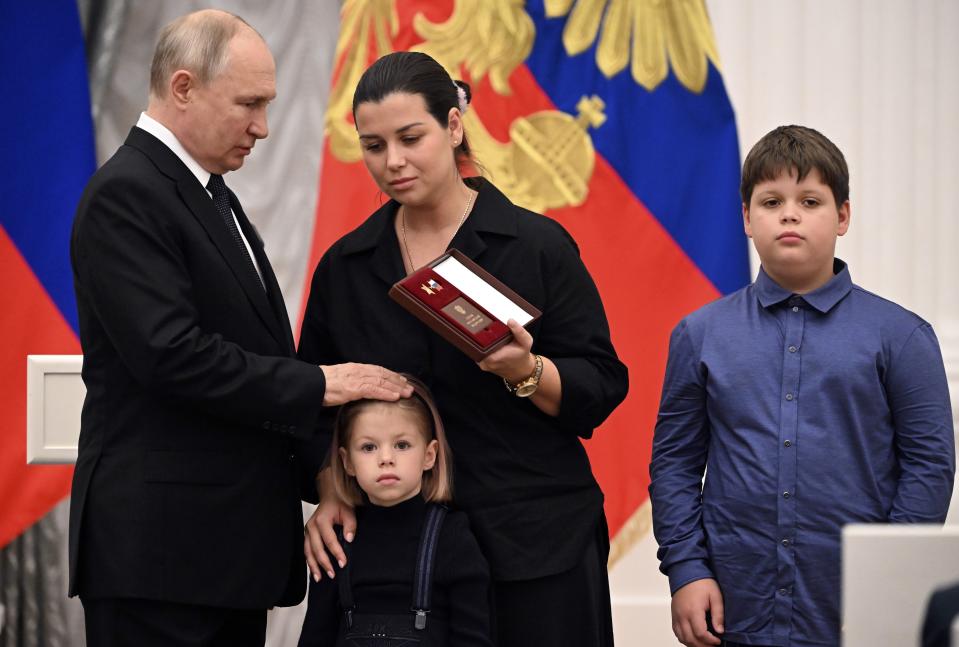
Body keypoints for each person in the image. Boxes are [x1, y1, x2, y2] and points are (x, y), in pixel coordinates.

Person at [68, 10, 411, 646]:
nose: (263, 127)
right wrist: (319, 385)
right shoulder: (129, 194)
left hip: (217, 560)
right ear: (183, 88)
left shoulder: (206, 191)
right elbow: (172, 357)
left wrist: (325, 477)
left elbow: (249, 352)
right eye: (248, 103)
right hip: (163, 564)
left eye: (268, 104)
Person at [298, 51, 628, 647]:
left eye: (411, 137)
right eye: (374, 146)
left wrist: (527, 371)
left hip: (535, 543)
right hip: (401, 558)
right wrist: (327, 489)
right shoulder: (346, 267)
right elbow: (310, 402)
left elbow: (601, 385)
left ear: (453, 127)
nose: (393, 161)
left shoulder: (536, 245)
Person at [649, 124, 955, 647]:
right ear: (747, 218)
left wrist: (886, 586)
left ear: (842, 216)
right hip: (735, 606)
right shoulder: (700, 334)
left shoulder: (902, 336)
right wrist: (687, 570)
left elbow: (929, 465)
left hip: (851, 611)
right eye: (771, 200)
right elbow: (674, 463)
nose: (789, 213)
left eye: (809, 200)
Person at [298, 377, 493, 646]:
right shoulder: (337, 541)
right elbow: (315, 636)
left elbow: (473, 637)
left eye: (402, 445)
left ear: (429, 455)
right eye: (369, 447)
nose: (386, 458)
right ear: (347, 462)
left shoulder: (452, 536)